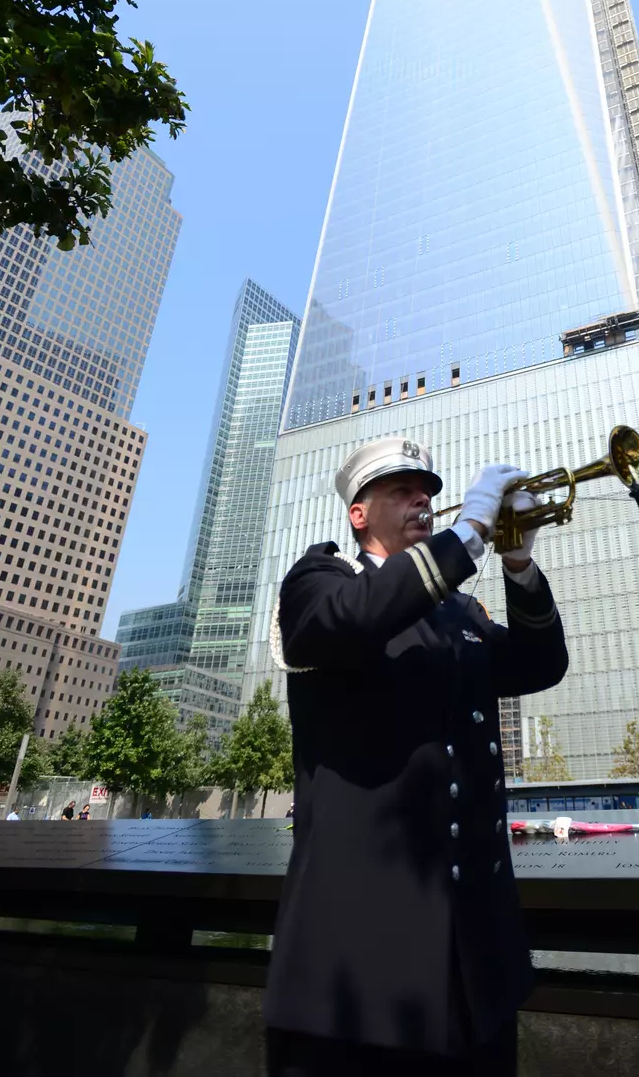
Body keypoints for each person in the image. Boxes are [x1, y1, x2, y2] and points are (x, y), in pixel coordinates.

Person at [265, 437, 569, 1076]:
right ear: (358, 513)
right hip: (361, 958)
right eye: (402, 490)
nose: (422, 500)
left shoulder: (457, 608)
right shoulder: (319, 582)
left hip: (476, 958)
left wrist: (519, 567)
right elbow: (363, 615)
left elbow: (541, 665)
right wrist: (464, 539)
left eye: (427, 490)